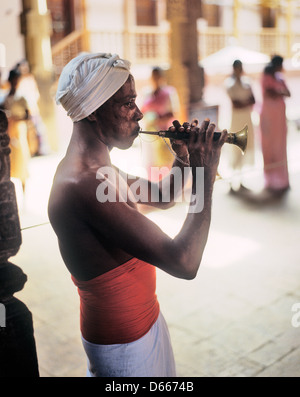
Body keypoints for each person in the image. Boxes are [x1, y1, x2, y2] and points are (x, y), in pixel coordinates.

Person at [48, 53, 227, 377]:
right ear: (92, 111)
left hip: (145, 326)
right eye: (127, 103)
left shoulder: (100, 170)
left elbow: (163, 195)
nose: (140, 113)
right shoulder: (84, 183)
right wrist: (204, 176)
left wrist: (184, 160)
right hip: (124, 348)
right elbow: (184, 261)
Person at [141, 66, 180, 180]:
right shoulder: (147, 93)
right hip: (150, 134)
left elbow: (173, 112)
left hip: (164, 133)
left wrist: (158, 119)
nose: (155, 78)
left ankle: (166, 188)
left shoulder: (169, 92)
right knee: (151, 161)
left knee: (164, 161)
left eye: (157, 76)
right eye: (154, 76)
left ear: (162, 77)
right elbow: (142, 110)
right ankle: (153, 187)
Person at [260, 55, 290, 194]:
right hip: (269, 118)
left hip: (279, 120)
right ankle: (271, 180)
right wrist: (279, 92)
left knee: (280, 147)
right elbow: (270, 94)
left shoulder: (280, 79)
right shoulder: (266, 78)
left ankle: (282, 180)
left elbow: (288, 93)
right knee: (269, 146)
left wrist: (278, 92)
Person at [225, 59, 255, 191]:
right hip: (236, 120)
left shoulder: (247, 83)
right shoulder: (230, 84)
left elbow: (253, 99)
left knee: (245, 147)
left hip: (246, 119)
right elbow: (235, 104)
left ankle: (241, 180)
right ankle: (232, 181)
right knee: (235, 147)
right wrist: (245, 103)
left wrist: (244, 103)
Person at [1, 68, 31, 192]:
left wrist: (16, 119)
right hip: (9, 133)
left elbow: (28, 116)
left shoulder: (22, 97)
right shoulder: (4, 98)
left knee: (22, 161)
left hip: (19, 133)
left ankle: (24, 193)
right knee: (9, 162)